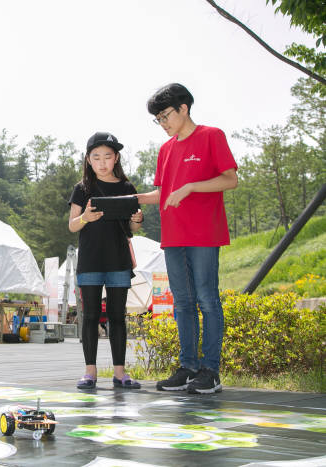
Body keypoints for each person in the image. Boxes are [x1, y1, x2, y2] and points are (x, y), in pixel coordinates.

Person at [137, 83, 238, 394]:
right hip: (173, 237)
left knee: (207, 300)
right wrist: (129, 199)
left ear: (184, 108)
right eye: (158, 119)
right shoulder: (165, 150)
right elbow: (162, 193)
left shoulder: (211, 135)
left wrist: (191, 187)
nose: (163, 123)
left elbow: (230, 179)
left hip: (204, 235)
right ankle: (188, 367)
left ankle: (210, 371)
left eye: (165, 115)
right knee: (182, 303)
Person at [68, 131, 144, 390]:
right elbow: (72, 226)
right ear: (88, 160)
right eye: (96, 157)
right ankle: (90, 372)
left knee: (117, 317)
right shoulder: (82, 189)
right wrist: (85, 219)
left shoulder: (126, 188)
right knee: (90, 316)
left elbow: (131, 229)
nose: (102, 162)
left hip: (118, 260)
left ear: (117, 158)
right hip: (90, 261)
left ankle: (120, 373)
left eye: (107, 156)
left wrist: (136, 221)